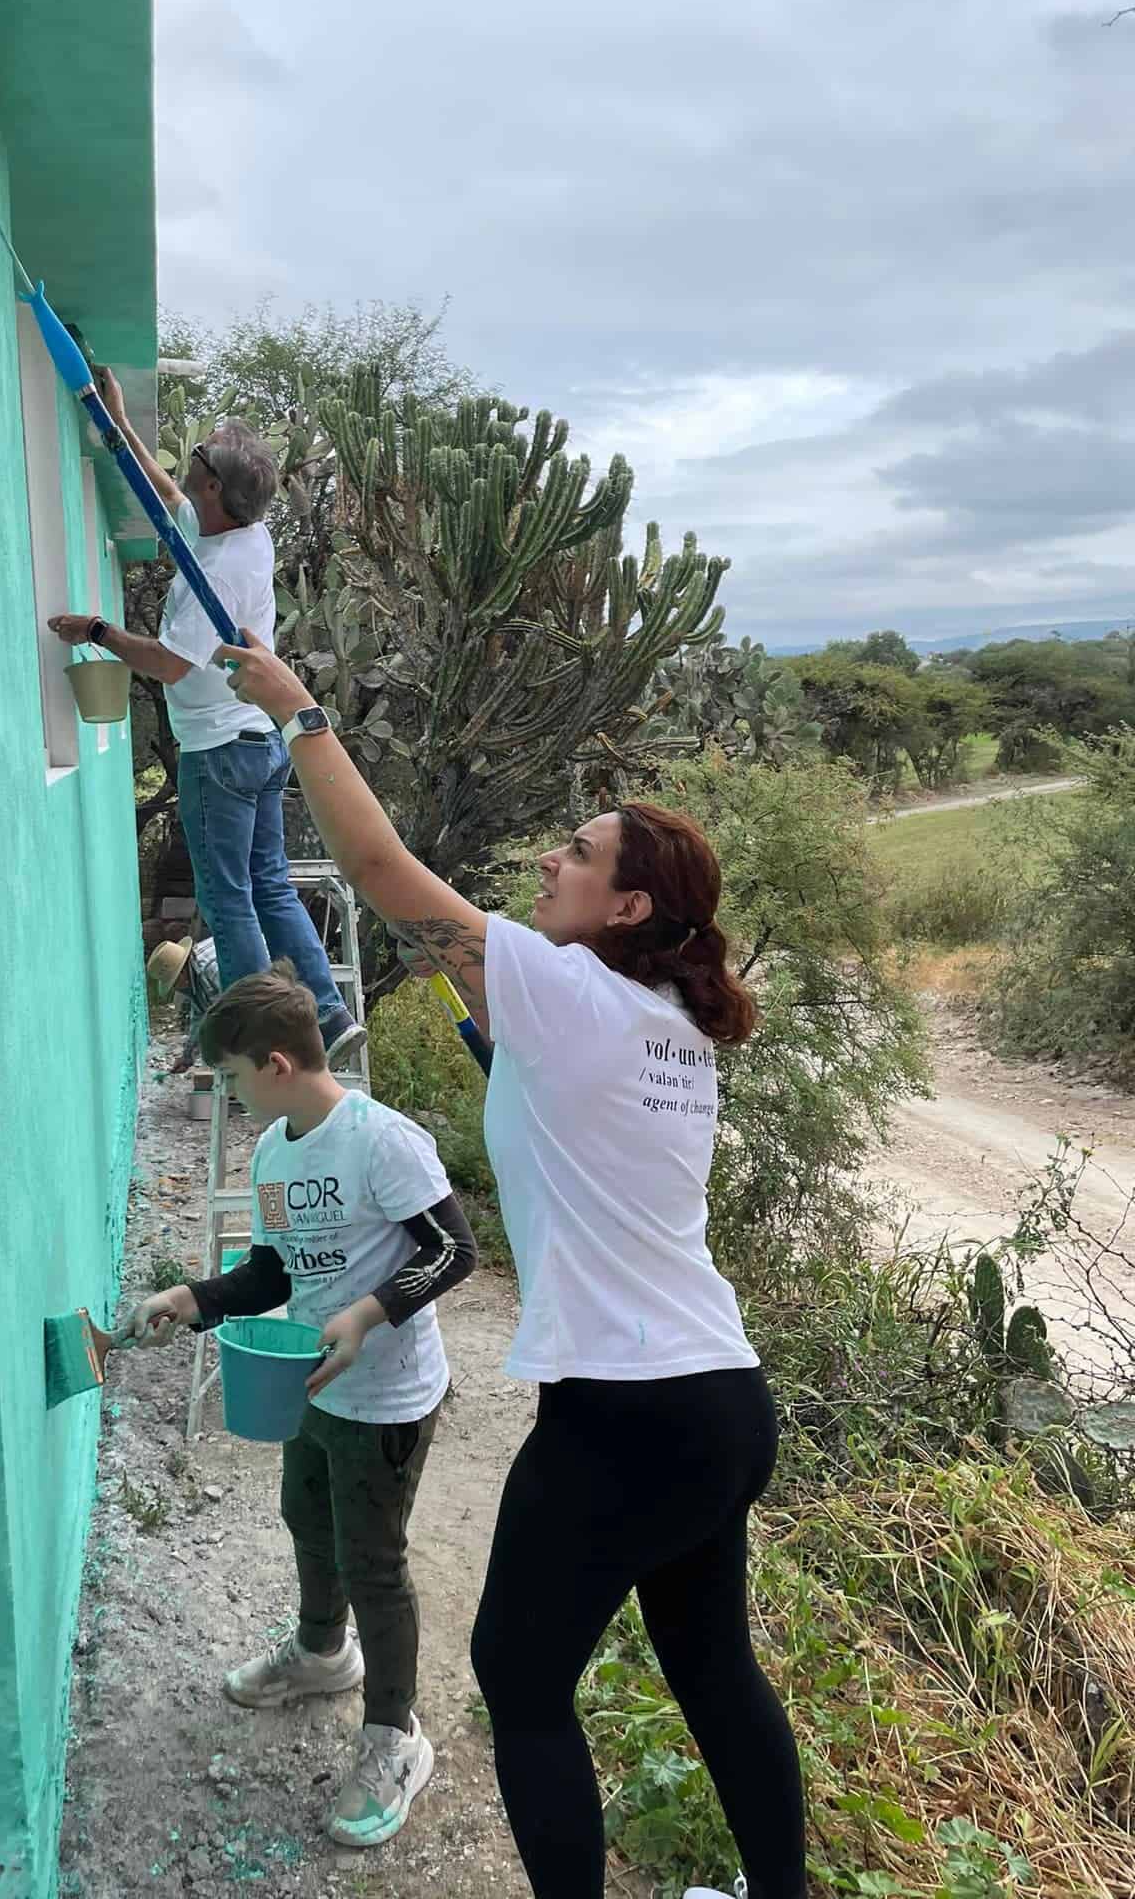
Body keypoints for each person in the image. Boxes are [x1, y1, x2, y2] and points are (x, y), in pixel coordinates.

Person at [208, 634, 808, 1899]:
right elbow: (548, 1101)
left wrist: (298, 709)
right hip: (722, 1400)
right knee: (712, 1665)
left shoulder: (572, 996)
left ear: (630, 907)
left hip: (625, 1412)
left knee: (521, 1683)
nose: (552, 858)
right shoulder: (672, 1029)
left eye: (579, 856)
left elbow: (376, 871)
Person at [126, 962, 477, 1849]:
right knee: (303, 1514)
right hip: (312, 1382)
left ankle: (397, 1736)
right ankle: (323, 1655)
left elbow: (454, 1252)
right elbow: (275, 1271)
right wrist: (195, 1300)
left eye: (233, 1078)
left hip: (388, 1392)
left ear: (277, 1062)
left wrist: (365, 1313)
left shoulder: (380, 1141)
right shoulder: (277, 1147)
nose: (229, 1094)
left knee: (374, 1561)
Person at [48, 370, 366, 1068]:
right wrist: (118, 423)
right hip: (260, 743)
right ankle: (332, 1015)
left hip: (218, 752)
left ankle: (259, 1031)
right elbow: (168, 500)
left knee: (228, 898)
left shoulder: (218, 574)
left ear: (216, 488)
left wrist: (96, 629)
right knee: (269, 884)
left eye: (196, 463)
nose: (187, 468)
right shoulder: (243, 536)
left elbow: (168, 664)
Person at [145, 931, 220, 1073]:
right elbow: (200, 1016)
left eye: (172, 982)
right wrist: (187, 1056)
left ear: (181, 974)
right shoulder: (194, 976)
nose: (174, 988)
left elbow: (240, 1005)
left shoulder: (211, 968)